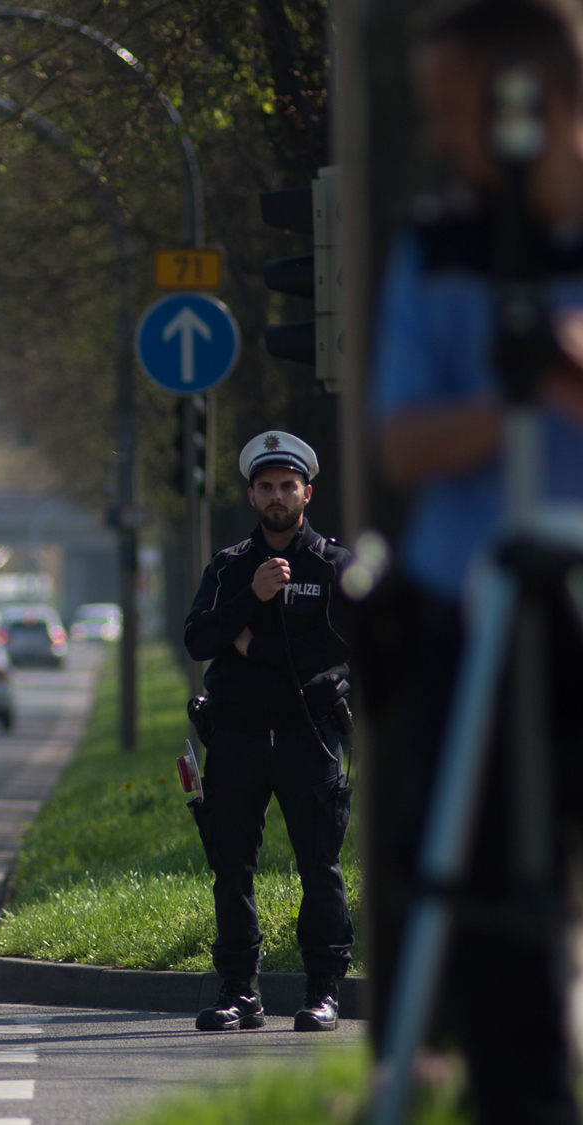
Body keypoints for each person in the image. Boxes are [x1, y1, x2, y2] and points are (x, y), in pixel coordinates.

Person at [369, 0, 583, 1119]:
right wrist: (507, 395)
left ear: (528, 103)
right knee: (475, 882)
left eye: (456, 113)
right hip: (471, 597)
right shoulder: (437, 244)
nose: (442, 140)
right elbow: (403, 440)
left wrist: (550, 361)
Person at [183, 431, 354, 1034]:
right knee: (231, 868)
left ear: (307, 491)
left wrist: (253, 645)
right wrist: (249, 600)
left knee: (320, 867)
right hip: (236, 737)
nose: (277, 496)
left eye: (288, 485)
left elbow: (340, 649)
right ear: (253, 496)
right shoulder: (231, 568)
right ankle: (239, 993)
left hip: (308, 738)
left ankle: (323, 992)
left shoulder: (335, 565)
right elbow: (199, 640)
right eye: (266, 487)